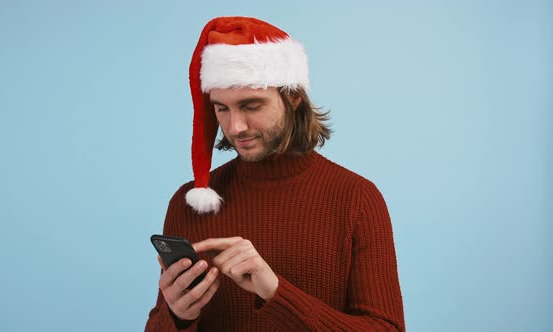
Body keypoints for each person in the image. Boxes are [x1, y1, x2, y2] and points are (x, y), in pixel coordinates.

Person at [145, 16, 405, 331]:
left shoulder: (357, 199)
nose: (235, 127)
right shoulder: (190, 203)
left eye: (251, 105)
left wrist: (276, 293)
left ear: (293, 96)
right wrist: (178, 317)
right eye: (221, 108)